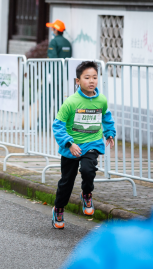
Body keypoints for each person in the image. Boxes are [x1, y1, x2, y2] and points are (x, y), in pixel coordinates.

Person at [52, 61, 115, 229]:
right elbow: (57, 125)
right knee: (67, 181)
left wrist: (109, 133)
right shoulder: (71, 102)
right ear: (77, 81)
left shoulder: (101, 100)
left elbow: (106, 117)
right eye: (87, 77)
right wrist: (69, 143)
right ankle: (58, 209)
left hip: (92, 142)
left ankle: (86, 194)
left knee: (88, 170)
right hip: (71, 146)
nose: (92, 81)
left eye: (94, 77)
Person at [63, 204, 153, 269]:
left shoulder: (115, 240)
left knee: (87, 171)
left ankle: (86, 195)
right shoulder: (115, 240)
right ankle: (60, 207)